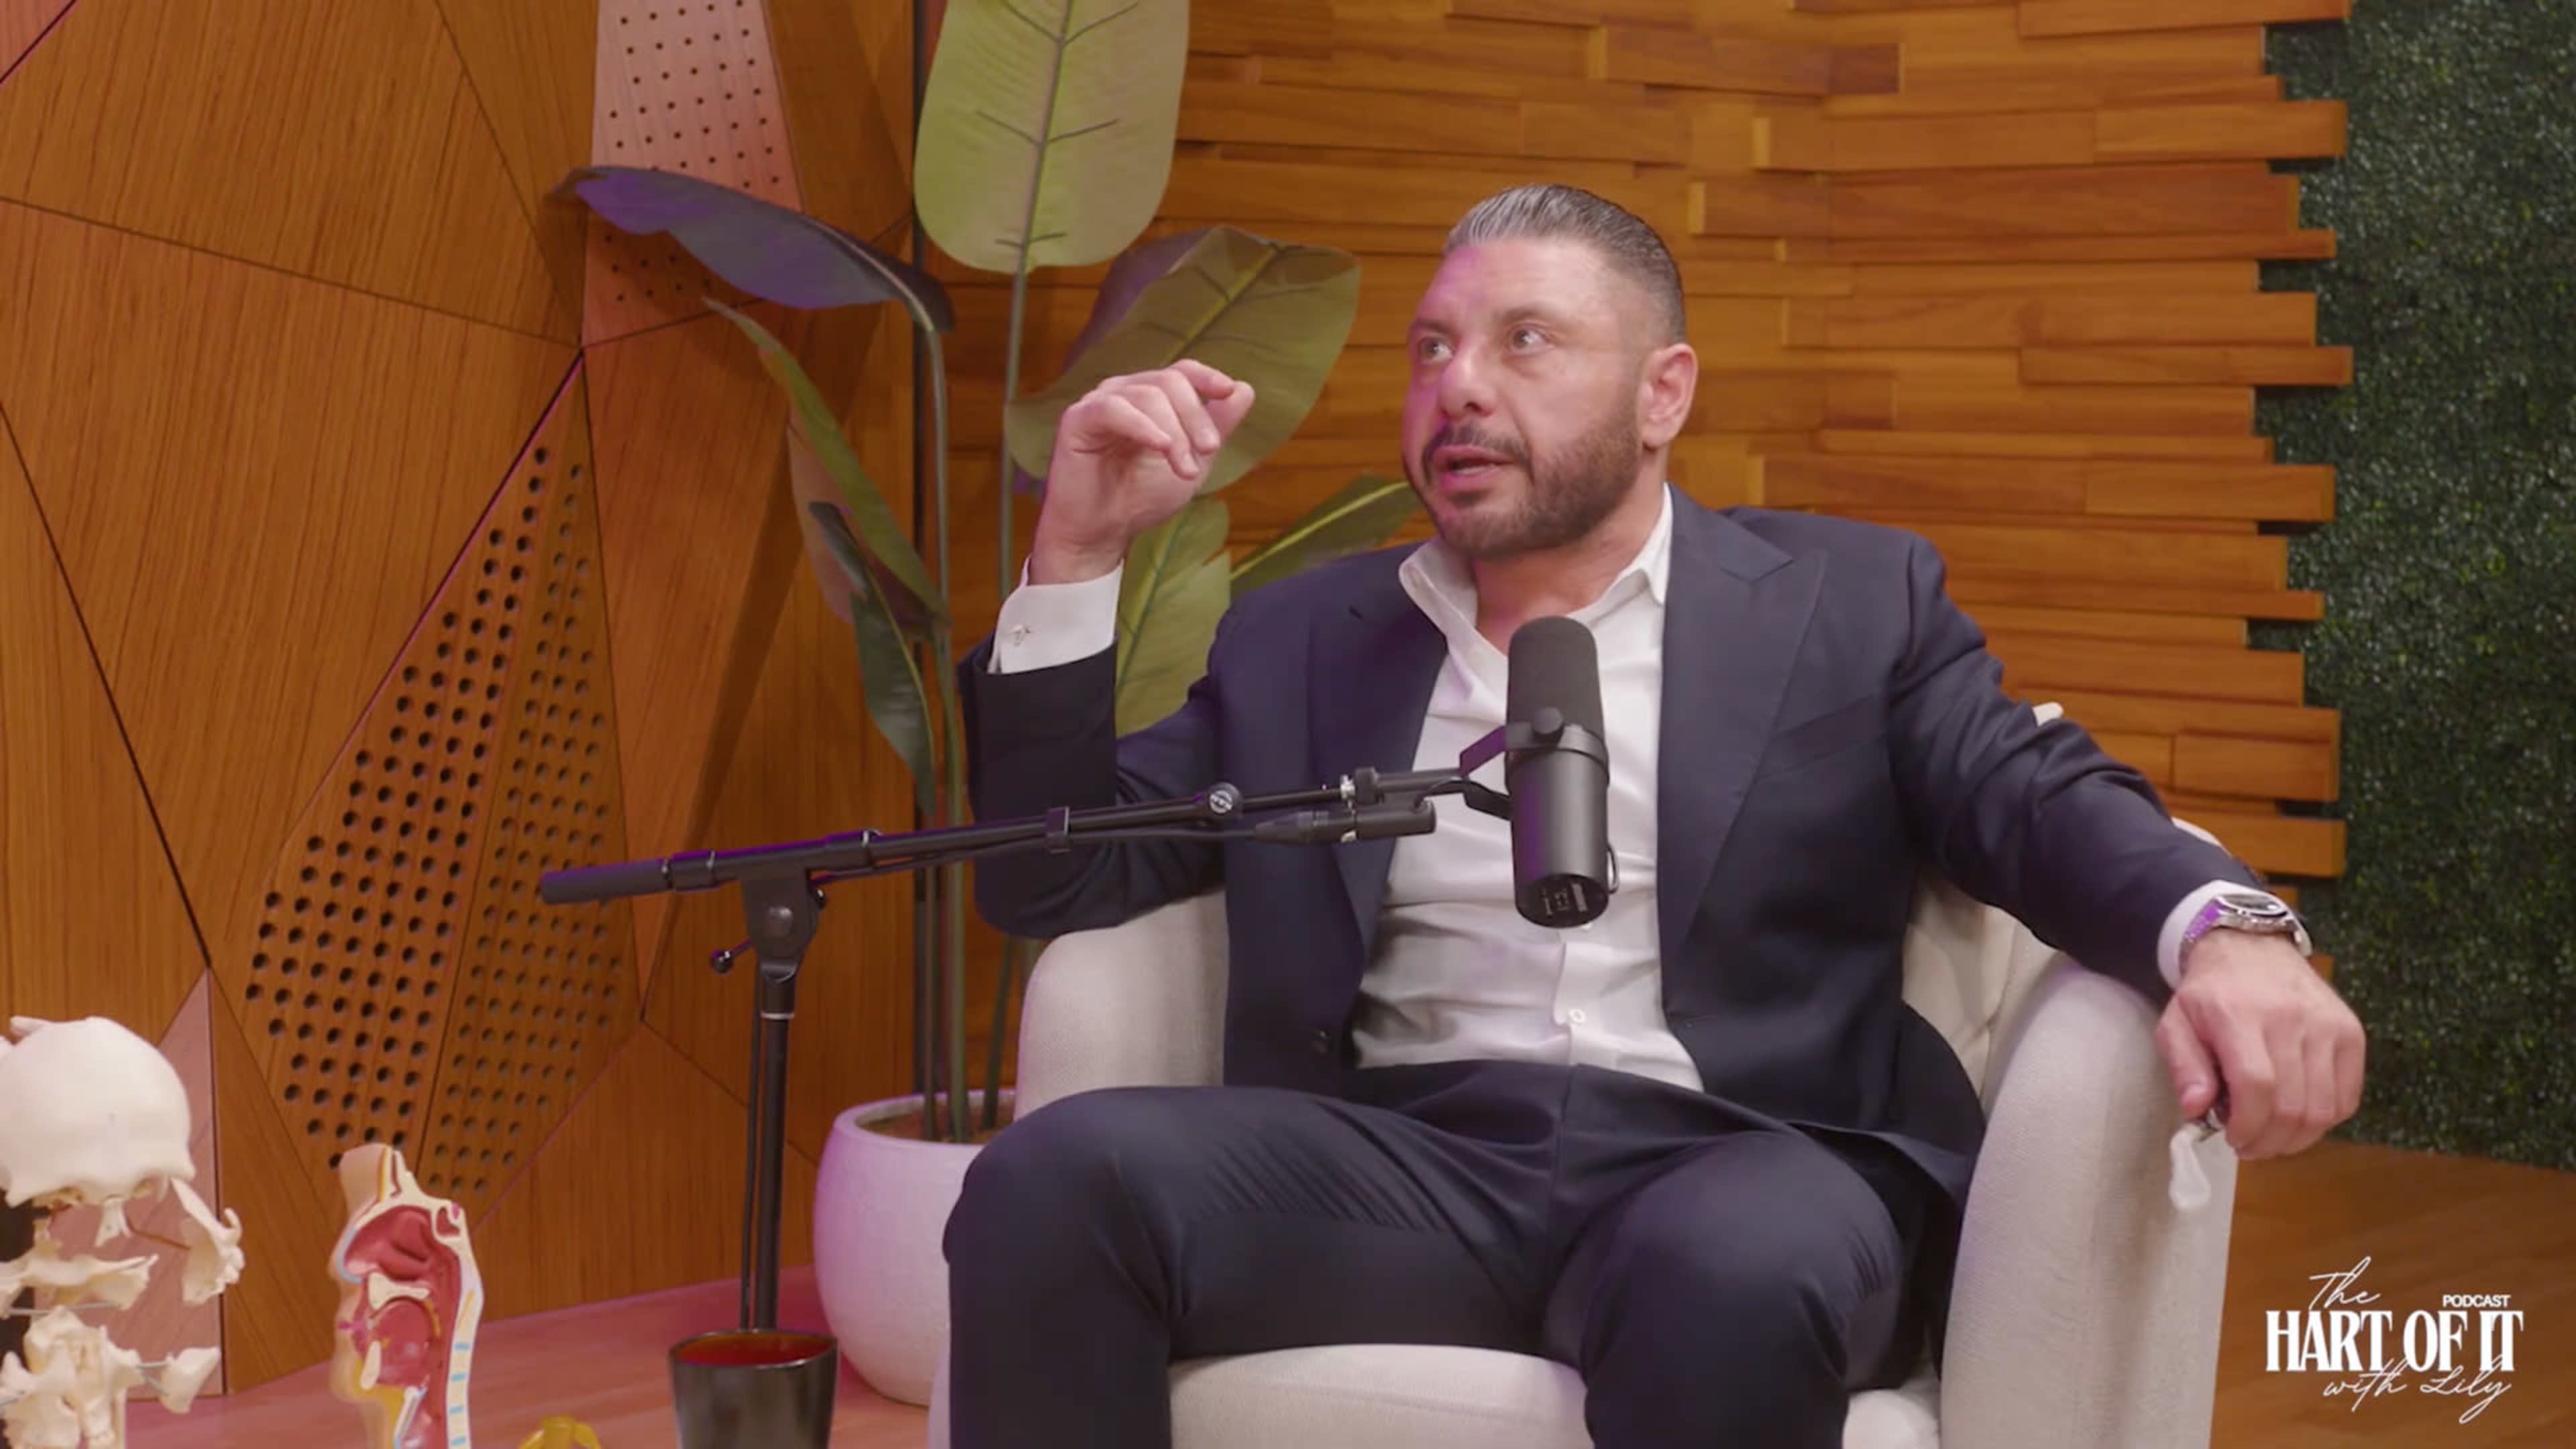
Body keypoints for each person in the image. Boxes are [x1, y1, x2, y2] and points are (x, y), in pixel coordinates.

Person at [942, 182, 2365, 1448]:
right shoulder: (1308, 638)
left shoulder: (1842, 608)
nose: (1460, 389)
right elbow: (1051, 877)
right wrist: (1078, 550)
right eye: (1432, 348)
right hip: (1406, 1162)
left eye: (1527, 343)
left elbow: (2032, 795)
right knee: (1051, 1185)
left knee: (1729, 1274)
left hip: (1742, 1156)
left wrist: (2226, 931)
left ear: (1663, 391)